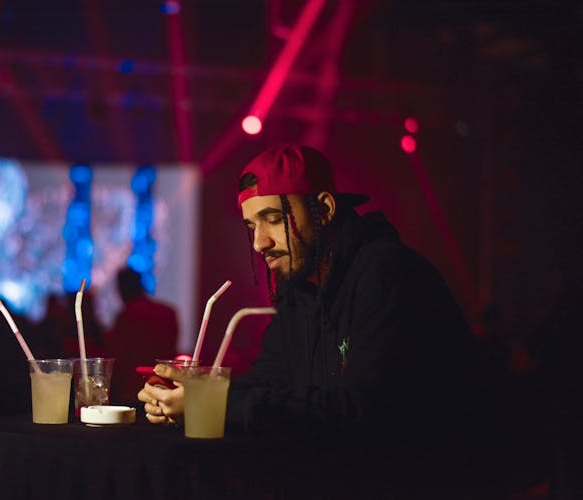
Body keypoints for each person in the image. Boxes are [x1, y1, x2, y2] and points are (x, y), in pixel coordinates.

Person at [138, 144, 498, 495]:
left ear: (324, 209)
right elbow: (269, 384)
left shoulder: (386, 275)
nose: (259, 242)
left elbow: (361, 414)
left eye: (274, 219)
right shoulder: (300, 292)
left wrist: (217, 405)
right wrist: (195, 396)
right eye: (251, 226)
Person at [106, 266, 179, 404]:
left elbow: (118, 359)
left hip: (132, 394)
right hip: (165, 390)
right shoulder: (168, 312)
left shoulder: (127, 317)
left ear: (123, 288)